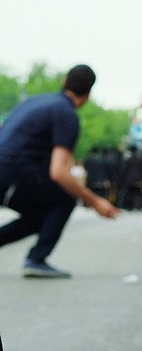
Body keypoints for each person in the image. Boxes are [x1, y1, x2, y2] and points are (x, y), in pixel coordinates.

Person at [0, 64, 119, 278]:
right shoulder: (66, 113)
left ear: (64, 81)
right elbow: (59, 172)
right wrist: (95, 201)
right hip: (11, 174)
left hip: (9, 170)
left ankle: (35, 257)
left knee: (40, 217)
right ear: (88, 94)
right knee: (65, 199)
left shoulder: (34, 101)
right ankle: (37, 259)